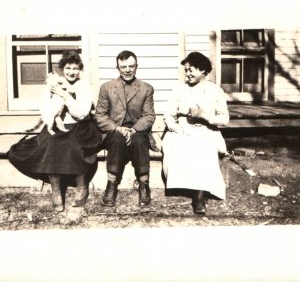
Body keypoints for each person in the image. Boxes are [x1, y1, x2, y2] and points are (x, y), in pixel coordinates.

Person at [8, 51, 102, 212]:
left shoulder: (84, 87)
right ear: (62, 69)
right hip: (58, 126)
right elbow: (45, 112)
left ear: (80, 69)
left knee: (74, 143)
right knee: (51, 142)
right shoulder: (53, 85)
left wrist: (65, 95)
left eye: (75, 68)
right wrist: (53, 96)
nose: (71, 72)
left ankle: (82, 185)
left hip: (81, 125)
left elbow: (81, 113)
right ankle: (56, 189)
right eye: (68, 68)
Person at [162, 51, 229, 215]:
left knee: (204, 147)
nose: (187, 73)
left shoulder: (215, 91)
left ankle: (199, 194)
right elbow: (168, 115)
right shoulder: (179, 89)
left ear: (203, 70)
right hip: (183, 129)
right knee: (176, 144)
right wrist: (177, 128)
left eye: (191, 70)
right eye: (186, 70)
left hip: (207, 130)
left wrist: (204, 115)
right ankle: (186, 185)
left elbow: (224, 118)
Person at [94, 50, 157, 207]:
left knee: (140, 141)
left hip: (137, 130)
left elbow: (149, 116)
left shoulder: (146, 88)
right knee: (117, 140)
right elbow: (100, 116)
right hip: (114, 131)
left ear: (137, 67)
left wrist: (134, 130)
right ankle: (111, 185)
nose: (128, 70)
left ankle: (144, 185)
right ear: (118, 67)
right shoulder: (107, 87)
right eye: (123, 67)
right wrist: (117, 129)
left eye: (131, 66)